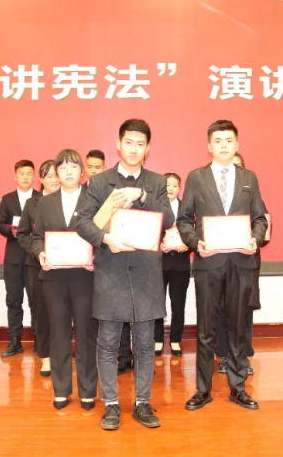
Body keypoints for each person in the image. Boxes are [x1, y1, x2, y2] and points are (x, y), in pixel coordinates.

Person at [76, 119, 174, 431]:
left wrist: (142, 195)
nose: (134, 149)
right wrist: (106, 239)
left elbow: (169, 218)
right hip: (112, 272)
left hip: (146, 274)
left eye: (140, 144)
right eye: (128, 142)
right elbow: (82, 222)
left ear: (148, 148)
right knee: (107, 343)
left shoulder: (156, 182)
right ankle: (111, 405)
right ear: (118, 145)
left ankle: (142, 403)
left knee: (145, 344)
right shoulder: (99, 182)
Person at [177, 120, 267, 412]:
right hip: (209, 262)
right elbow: (184, 220)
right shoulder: (196, 177)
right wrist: (195, 242)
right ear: (209, 146)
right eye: (218, 141)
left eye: (229, 140)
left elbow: (260, 218)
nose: (224, 145)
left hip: (241, 262)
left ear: (237, 145)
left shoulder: (249, 177)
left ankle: (238, 388)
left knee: (238, 328)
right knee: (206, 329)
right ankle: (203, 390)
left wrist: (255, 239)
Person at [28, 150, 98, 411]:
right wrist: (40, 254)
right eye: (63, 167)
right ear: (56, 173)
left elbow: (102, 234)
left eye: (73, 167)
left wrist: (96, 257)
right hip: (54, 278)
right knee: (58, 333)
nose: (68, 172)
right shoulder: (44, 203)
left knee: (86, 333)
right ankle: (61, 389)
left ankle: (88, 390)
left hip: (85, 277)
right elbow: (36, 238)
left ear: (83, 172)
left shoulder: (94, 199)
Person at [214, 152, 268, 373]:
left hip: (245, 261)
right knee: (221, 309)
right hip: (219, 261)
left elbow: (263, 226)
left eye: (238, 166)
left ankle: (243, 357)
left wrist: (255, 239)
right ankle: (225, 356)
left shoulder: (253, 193)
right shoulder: (214, 196)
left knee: (244, 311)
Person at [84, 149, 132, 369]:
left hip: (112, 257)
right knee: (94, 312)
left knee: (119, 309)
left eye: (98, 167)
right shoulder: (80, 192)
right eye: (90, 167)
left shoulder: (114, 192)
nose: (94, 171)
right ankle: (98, 355)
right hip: (84, 262)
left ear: (104, 168)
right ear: (85, 169)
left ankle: (124, 355)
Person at [16, 160, 61, 377]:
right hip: (38, 266)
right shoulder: (32, 203)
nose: (54, 180)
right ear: (40, 179)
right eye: (48, 176)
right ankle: (46, 357)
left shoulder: (70, 200)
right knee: (42, 313)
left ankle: (62, 353)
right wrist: (37, 252)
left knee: (64, 312)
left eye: (56, 175)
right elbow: (22, 234)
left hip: (67, 266)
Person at [0, 160, 41, 357]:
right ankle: (15, 340)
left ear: (34, 176)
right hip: (14, 257)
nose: (25, 177)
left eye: (29, 173)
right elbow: (0, 225)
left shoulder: (41, 198)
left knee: (36, 301)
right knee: (13, 300)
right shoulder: (7, 200)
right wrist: (13, 231)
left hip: (35, 256)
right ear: (15, 177)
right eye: (21, 174)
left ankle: (39, 339)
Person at [155, 172, 191, 357]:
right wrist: (157, 243)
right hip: (159, 263)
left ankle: (175, 340)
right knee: (157, 304)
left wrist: (189, 244)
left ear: (179, 188)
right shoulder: (155, 206)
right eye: (167, 185)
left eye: (175, 185)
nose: (171, 188)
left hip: (181, 263)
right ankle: (158, 340)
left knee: (178, 303)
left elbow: (194, 231)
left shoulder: (187, 207)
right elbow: (149, 229)